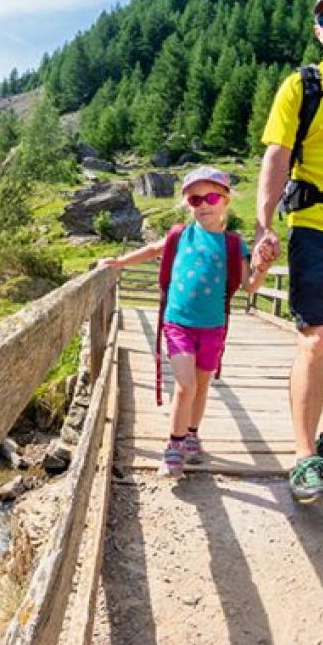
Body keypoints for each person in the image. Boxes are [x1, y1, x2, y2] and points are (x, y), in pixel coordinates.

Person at [100, 166, 270, 477]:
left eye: (210, 197)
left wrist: (263, 268)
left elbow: (250, 286)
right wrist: (119, 262)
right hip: (177, 322)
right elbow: (153, 250)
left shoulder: (234, 244)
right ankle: (173, 446)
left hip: (214, 326)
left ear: (226, 200)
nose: (203, 204)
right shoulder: (180, 235)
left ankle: (192, 432)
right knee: (185, 385)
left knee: (202, 387)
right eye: (194, 200)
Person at [254, 0, 323, 503]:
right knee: (319, 334)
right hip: (314, 222)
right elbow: (276, 156)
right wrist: (265, 224)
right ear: (318, 31)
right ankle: (304, 456)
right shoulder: (300, 87)